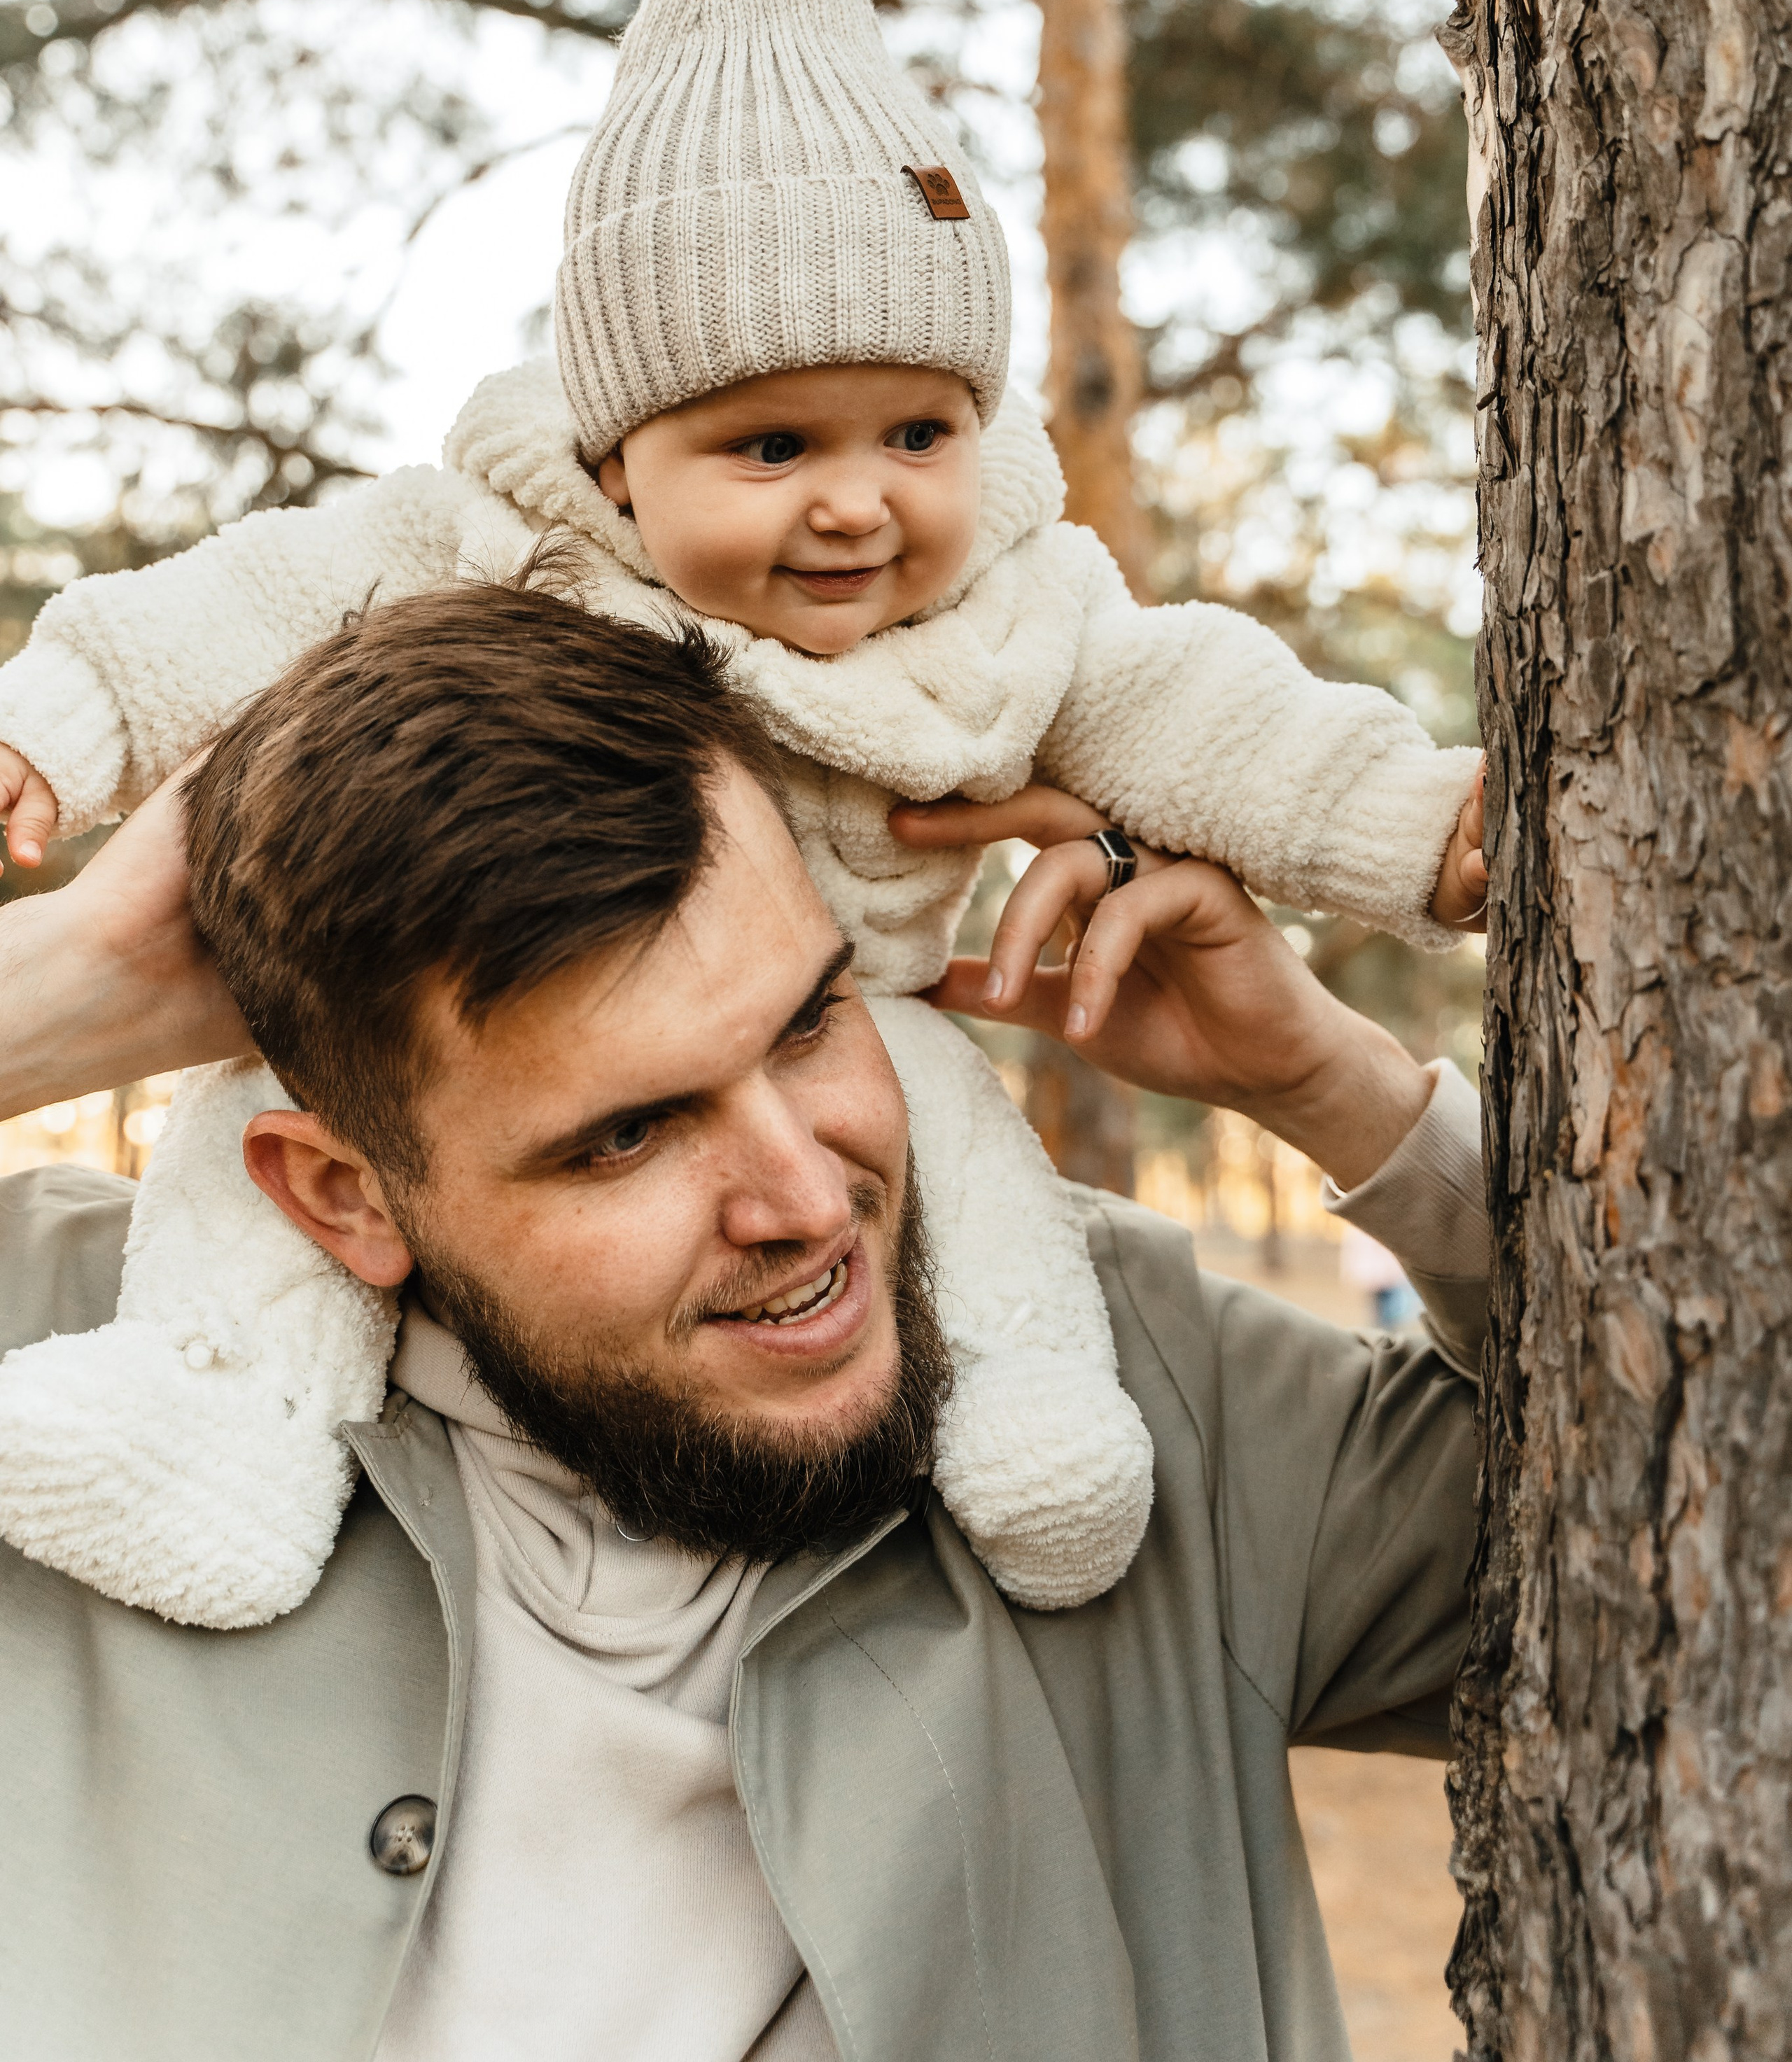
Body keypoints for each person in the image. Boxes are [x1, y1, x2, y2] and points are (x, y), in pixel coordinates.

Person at [0, 0, 1485, 1625]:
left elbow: (1205, 709)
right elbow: (227, 605)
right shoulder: (478, 547)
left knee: (963, 1153)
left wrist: (1394, 903)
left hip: (917, 1025)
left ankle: (1023, 1407)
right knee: (246, 1164)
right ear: (619, 466)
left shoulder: (1011, 614)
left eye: (915, 435)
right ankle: (217, 1422)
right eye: (771, 447)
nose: (857, 505)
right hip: (311, 1139)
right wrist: (60, 871)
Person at [0, 582, 1486, 2062]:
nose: (806, 1198)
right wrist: (63, 992)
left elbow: (1679, 1477)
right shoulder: (75, 1391)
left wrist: (1329, 1088)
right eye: (627, 1134)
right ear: (343, 1199)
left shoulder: (1128, 1387)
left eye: (809, 1021)